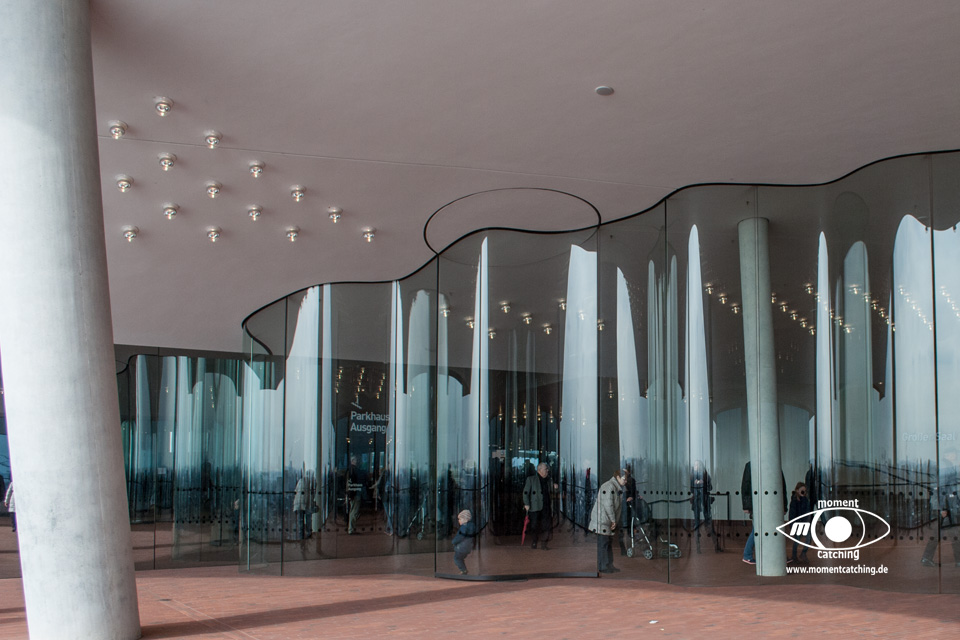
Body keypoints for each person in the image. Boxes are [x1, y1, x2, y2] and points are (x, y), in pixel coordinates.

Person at [741, 461, 786, 565]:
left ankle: (749, 555)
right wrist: (747, 505)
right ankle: (748, 555)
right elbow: (746, 486)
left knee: (760, 529)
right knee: (760, 529)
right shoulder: (772, 462)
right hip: (765, 502)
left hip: (765, 502)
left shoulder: (752, 464)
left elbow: (746, 485)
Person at [921, 451, 960, 568]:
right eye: (952, 454)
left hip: (947, 508)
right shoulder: (945, 469)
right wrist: (942, 508)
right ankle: (958, 560)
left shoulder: (948, 468)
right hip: (946, 509)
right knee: (953, 534)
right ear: (946, 456)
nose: (955, 456)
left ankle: (926, 558)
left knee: (939, 533)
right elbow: (941, 490)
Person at [589, 469, 626, 574]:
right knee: (604, 543)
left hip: (606, 520)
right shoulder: (609, 486)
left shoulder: (616, 487)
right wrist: (613, 520)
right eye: (624, 479)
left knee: (608, 543)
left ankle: (608, 564)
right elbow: (608, 505)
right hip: (603, 520)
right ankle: (603, 566)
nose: (626, 481)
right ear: (618, 477)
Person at [522, 462, 557, 550]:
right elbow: (525, 493)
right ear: (539, 470)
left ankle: (544, 544)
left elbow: (554, 492)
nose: (547, 470)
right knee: (534, 526)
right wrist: (526, 504)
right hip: (535, 506)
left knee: (546, 526)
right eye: (545, 469)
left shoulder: (549, 480)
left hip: (546, 506)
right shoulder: (531, 479)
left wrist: (556, 488)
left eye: (547, 469)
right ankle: (534, 541)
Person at [690, 460, 722, 553]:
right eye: (695, 465)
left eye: (697, 465)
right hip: (698, 501)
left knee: (708, 522)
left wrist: (701, 483)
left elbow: (710, 487)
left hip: (704, 501)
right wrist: (699, 483)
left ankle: (715, 546)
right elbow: (691, 488)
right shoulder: (693, 476)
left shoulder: (705, 475)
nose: (696, 467)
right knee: (698, 523)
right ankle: (698, 548)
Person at [788, 482, 812, 563]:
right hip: (796, 523)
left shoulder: (806, 500)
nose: (803, 492)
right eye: (802, 490)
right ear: (797, 490)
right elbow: (792, 515)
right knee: (797, 540)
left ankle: (803, 553)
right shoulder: (794, 501)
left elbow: (807, 513)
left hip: (804, 523)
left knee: (808, 539)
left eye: (804, 491)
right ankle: (794, 556)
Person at [618, 465, 637, 556]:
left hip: (627, 508)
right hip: (623, 508)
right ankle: (624, 549)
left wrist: (632, 497)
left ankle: (628, 548)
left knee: (627, 529)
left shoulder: (631, 481)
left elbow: (633, 492)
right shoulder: (621, 481)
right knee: (624, 530)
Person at [452, 509, 476, 575]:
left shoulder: (463, 528)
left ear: (465, 519)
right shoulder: (471, 526)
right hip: (468, 546)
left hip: (462, 547)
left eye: (460, 519)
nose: (458, 521)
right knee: (460, 558)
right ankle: (464, 569)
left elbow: (460, 537)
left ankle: (463, 570)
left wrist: (453, 542)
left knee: (457, 558)